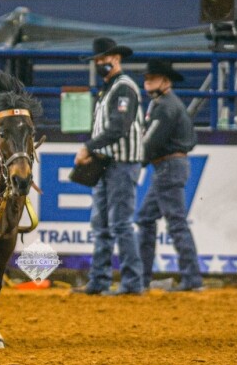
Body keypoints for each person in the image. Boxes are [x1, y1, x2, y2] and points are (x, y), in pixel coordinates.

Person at [73, 38, 145, 296]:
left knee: (119, 224)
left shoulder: (123, 88)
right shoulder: (112, 88)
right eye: (98, 61)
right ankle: (100, 280)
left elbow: (118, 127)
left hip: (122, 163)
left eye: (104, 60)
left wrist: (89, 147)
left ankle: (132, 282)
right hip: (109, 163)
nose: (101, 64)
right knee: (103, 224)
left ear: (116, 59)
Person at [136, 60, 202, 292]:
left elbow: (150, 142)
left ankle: (191, 278)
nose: (147, 82)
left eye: (152, 78)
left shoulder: (164, 106)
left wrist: (134, 163)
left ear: (166, 81)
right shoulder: (168, 104)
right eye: (146, 79)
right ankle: (144, 277)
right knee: (149, 218)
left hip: (168, 167)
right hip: (171, 166)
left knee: (174, 222)